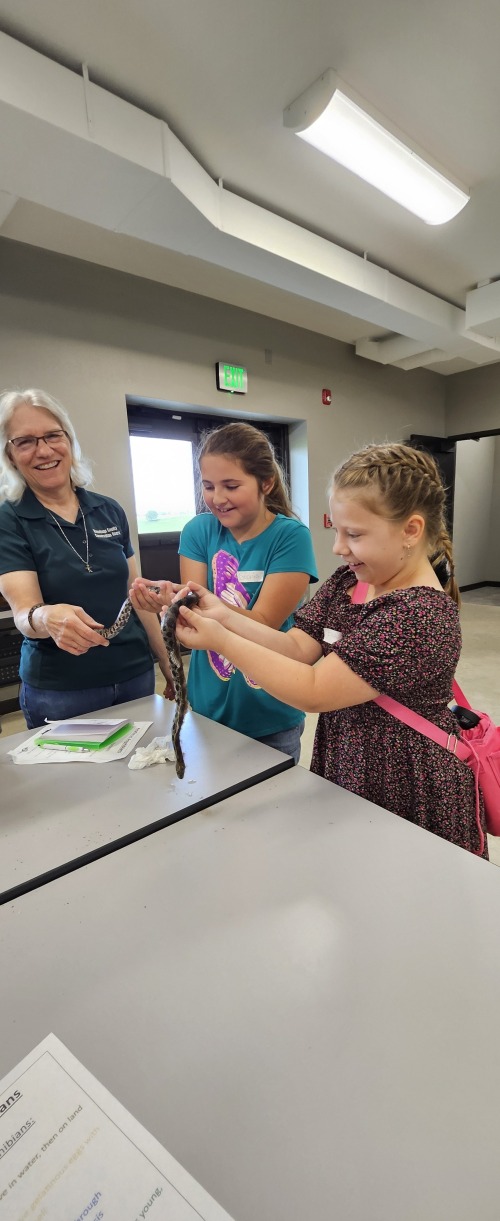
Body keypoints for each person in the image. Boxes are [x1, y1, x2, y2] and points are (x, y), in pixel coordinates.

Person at [169, 442, 487, 857]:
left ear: (411, 530)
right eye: (336, 530)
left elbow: (314, 689)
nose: (338, 547)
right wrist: (223, 615)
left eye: (354, 534)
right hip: (352, 759)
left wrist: (221, 640)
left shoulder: (418, 614)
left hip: (404, 779)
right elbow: (295, 648)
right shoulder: (349, 582)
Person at [131, 421, 318, 763]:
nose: (217, 499)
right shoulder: (199, 531)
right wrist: (170, 604)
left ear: (266, 483)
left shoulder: (290, 537)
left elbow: (262, 623)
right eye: (208, 486)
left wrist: (200, 608)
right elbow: (195, 621)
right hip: (207, 707)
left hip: (270, 708)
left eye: (231, 486)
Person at [0, 388, 174, 728]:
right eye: (25, 441)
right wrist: (46, 617)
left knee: (144, 760)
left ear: (69, 440)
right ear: (10, 455)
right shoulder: (9, 519)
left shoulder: (109, 509)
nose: (44, 450)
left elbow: (137, 598)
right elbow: (24, 613)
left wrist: (168, 664)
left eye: (53, 436)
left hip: (134, 675)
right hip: (62, 690)